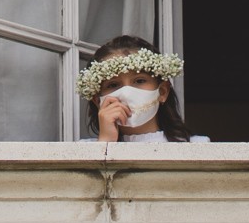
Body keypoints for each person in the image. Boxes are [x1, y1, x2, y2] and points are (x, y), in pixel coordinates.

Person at [75, 34, 209, 142]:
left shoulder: (197, 147)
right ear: (97, 100)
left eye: (139, 81)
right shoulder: (87, 150)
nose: (127, 93)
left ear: (162, 92)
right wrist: (105, 144)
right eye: (113, 85)